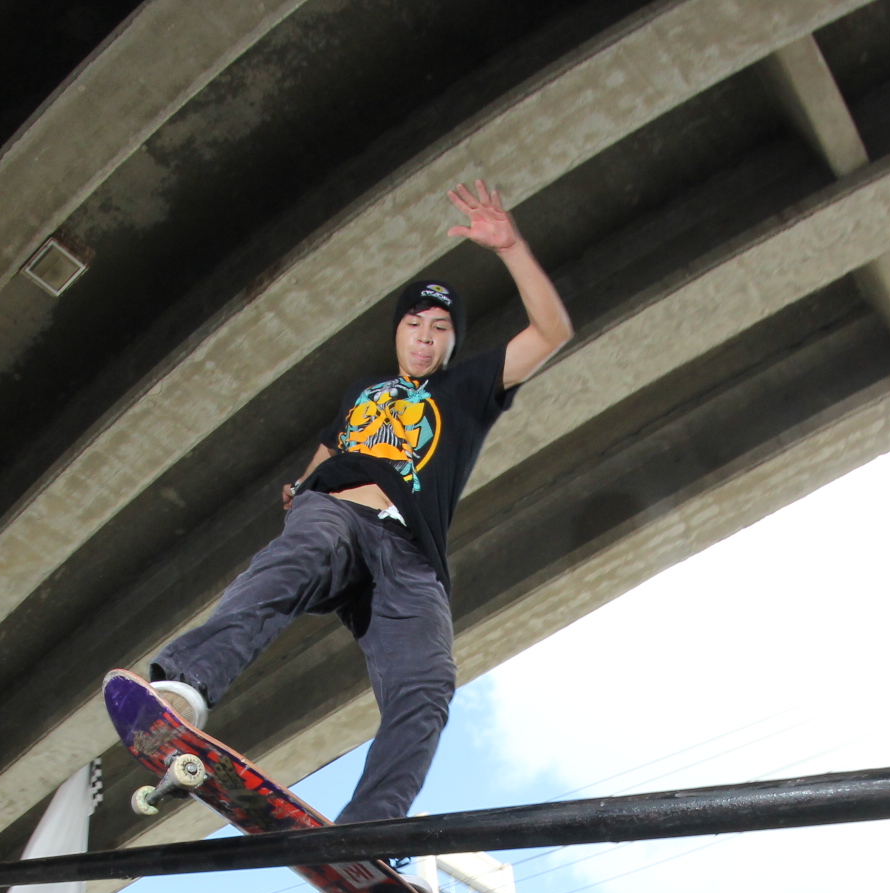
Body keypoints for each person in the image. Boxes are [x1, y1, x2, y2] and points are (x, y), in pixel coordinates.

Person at [145, 180, 572, 835]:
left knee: (429, 684)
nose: (425, 340)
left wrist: (511, 248)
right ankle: (187, 684)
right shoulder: (362, 391)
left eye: (439, 330)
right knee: (303, 552)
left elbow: (552, 330)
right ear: (397, 331)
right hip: (338, 518)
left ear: (454, 342)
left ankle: (367, 832)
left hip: (412, 558)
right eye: (414, 325)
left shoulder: (467, 387)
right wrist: (302, 491)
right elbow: (327, 451)